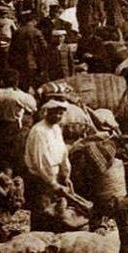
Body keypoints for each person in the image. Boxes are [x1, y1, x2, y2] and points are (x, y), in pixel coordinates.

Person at [24, 99, 81, 232]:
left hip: (55, 176)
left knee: (55, 212)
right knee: (42, 211)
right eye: (54, 113)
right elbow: (42, 161)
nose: (57, 116)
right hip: (41, 178)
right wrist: (53, 183)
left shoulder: (56, 128)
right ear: (47, 112)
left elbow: (63, 153)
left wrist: (66, 175)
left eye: (60, 114)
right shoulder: (39, 131)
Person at [0, 69, 37, 172]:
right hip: (11, 127)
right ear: (17, 81)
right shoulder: (21, 96)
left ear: (2, 80)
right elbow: (33, 108)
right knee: (8, 155)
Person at [7, 12, 48, 91]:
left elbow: (12, 48)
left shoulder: (17, 31)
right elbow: (44, 47)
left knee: (22, 84)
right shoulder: (37, 32)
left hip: (19, 62)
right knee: (37, 85)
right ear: (34, 21)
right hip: (34, 62)